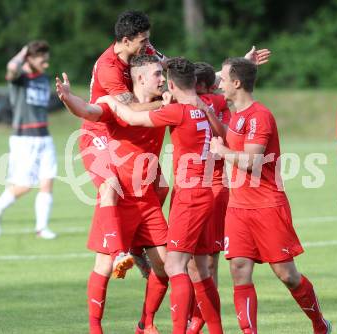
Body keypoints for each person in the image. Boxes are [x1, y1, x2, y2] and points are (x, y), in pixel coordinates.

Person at [101, 57, 224, 334]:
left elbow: (131, 117)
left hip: (190, 196)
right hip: (205, 193)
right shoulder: (206, 107)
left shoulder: (177, 112)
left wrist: (111, 102)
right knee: (201, 271)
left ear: (170, 84)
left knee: (174, 265)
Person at [210, 57, 331, 334]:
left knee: (287, 276)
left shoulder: (260, 115)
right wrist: (210, 117)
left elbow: (252, 161)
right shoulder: (236, 115)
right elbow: (231, 137)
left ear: (237, 83)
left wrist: (222, 152)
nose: (221, 85)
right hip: (238, 208)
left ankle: (320, 325)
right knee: (239, 270)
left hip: (267, 205)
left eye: (224, 80)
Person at [57, 54, 170, 334]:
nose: (163, 79)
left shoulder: (168, 101)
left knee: (166, 268)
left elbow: (200, 83)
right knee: (104, 265)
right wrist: (69, 99)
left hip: (148, 200)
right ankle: (95, 329)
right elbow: (88, 111)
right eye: (157, 74)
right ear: (140, 78)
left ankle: (146, 324)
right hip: (120, 199)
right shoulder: (116, 104)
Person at [79, 10, 169, 279]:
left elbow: (172, 65)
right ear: (127, 40)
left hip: (123, 133)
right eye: (143, 41)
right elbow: (130, 109)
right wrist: (165, 105)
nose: (147, 45)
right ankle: (119, 251)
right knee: (110, 187)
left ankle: (135, 244)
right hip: (99, 131)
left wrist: (219, 76)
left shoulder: (144, 47)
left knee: (160, 188)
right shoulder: (108, 67)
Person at [0, 40, 57, 240]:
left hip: (45, 136)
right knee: (25, 186)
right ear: (30, 59)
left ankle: (41, 228)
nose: (46, 63)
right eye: (42, 59)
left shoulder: (44, 78)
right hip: (24, 139)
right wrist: (23, 52)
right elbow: (11, 67)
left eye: (46, 59)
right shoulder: (20, 78)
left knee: (47, 182)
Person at [187, 62, 231, 334]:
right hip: (198, 185)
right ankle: (200, 318)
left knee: (202, 259)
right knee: (199, 260)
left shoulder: (213, 102)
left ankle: (201, 319)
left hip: (212, 185)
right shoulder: (214, 99)